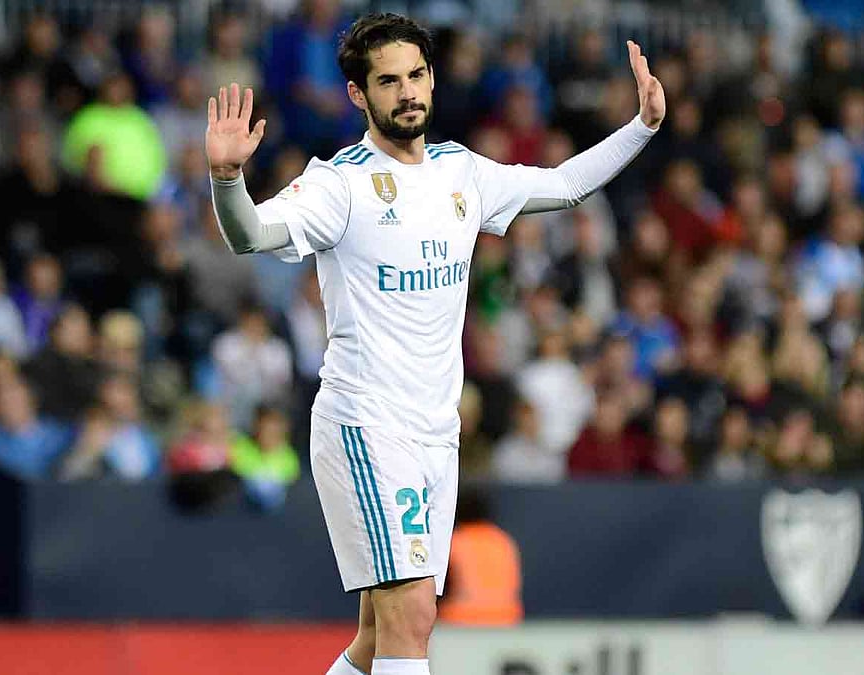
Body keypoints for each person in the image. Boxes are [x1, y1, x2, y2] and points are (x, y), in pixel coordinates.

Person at [205, 13, 665, 675]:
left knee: (376, 632)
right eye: (388, 81)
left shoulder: (460, 172)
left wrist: (642, 126)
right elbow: (250, 234)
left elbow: (564, 185)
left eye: (417, 74)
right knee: (414, 614)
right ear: (359, 95)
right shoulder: (339, 184)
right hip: (367, 423)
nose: (408, 91)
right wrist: (227, 180)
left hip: (434, 432)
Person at [437, 486, 523, 626]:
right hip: (506, 619)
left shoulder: (455, 541)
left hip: (459, 620)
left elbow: (440, 590)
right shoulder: (503, 541)